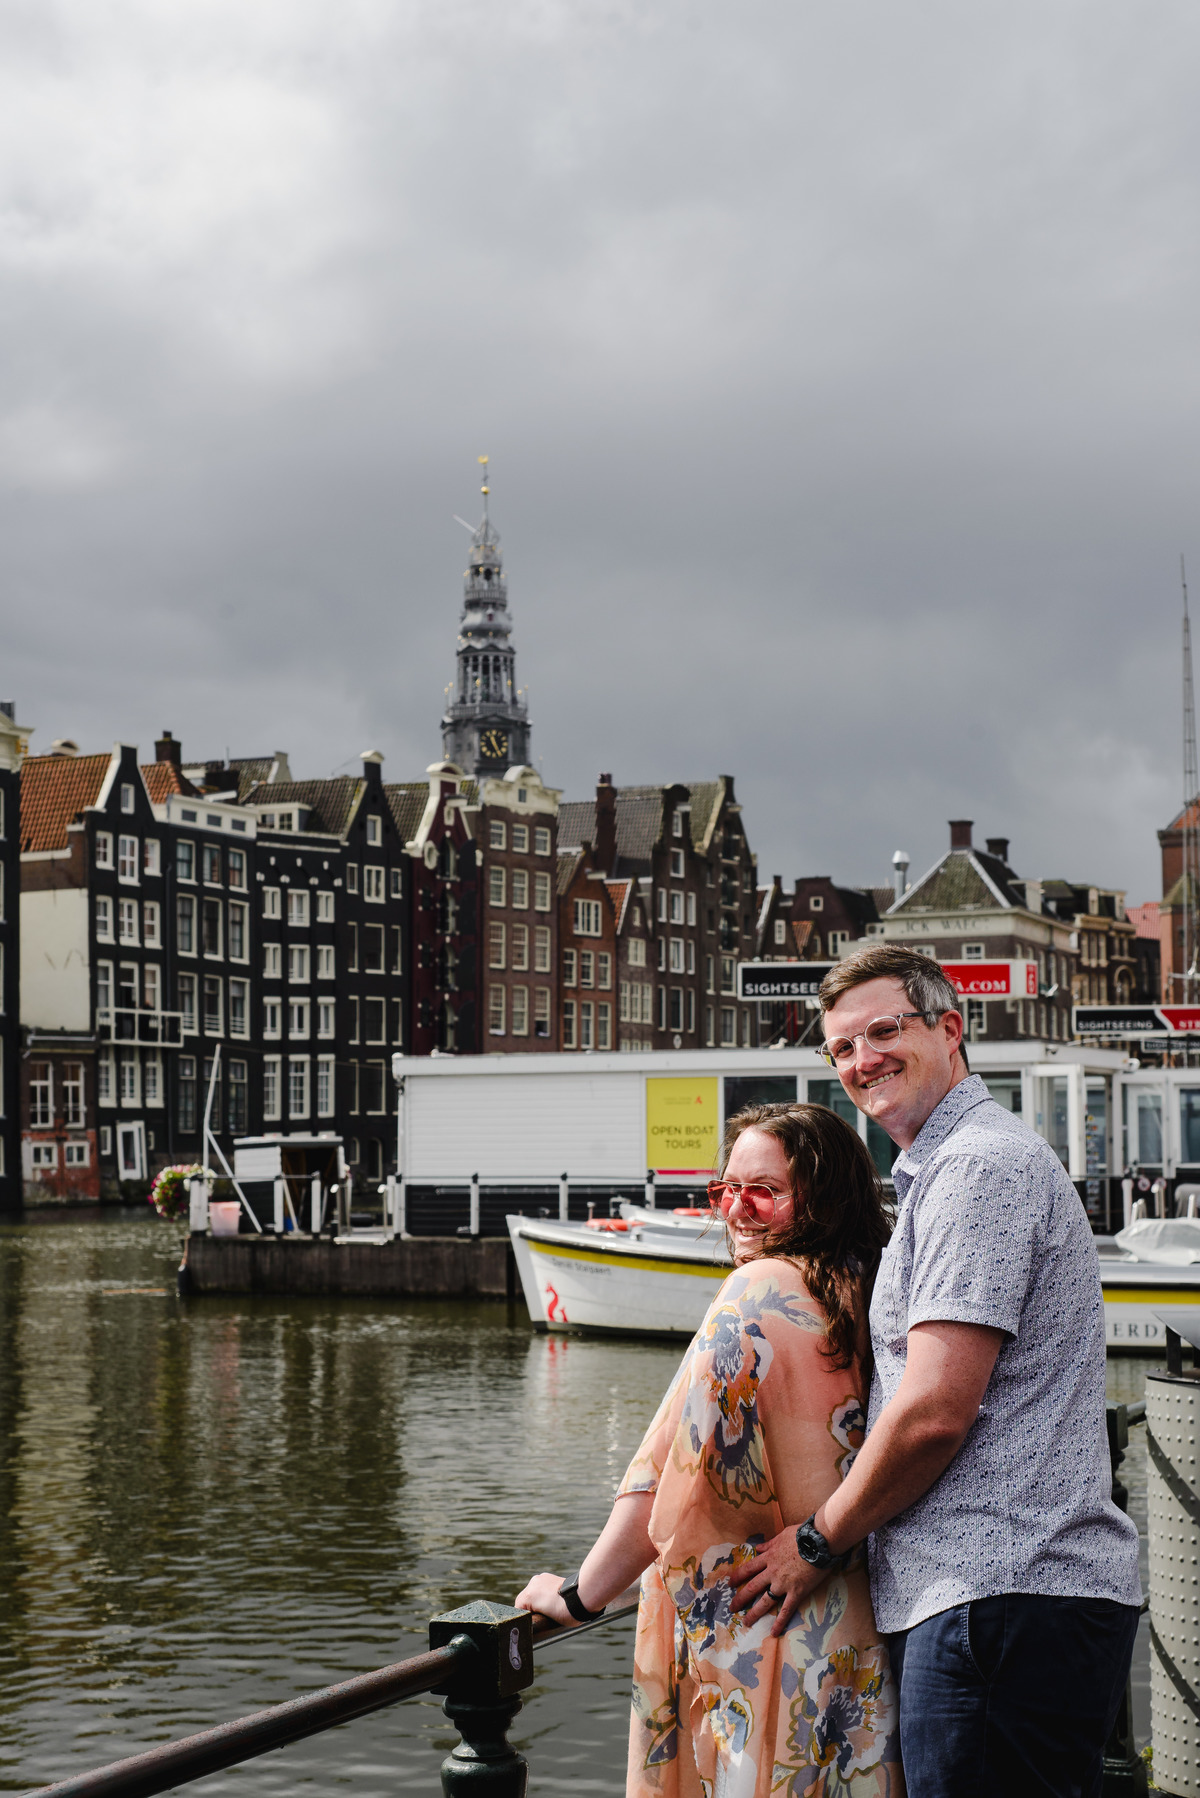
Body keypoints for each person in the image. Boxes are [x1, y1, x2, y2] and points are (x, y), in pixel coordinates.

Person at [729, 944, 1141, 1798]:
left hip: (995, 1595)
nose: (860, 1059)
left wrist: (814, 1542)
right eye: (839, 1047)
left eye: (884, 1030)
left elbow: (932, 1411)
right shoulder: (952, 1170)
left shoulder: (974, 1172)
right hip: (1003, 1601)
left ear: (950, 1029)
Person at [515, 1103, 905, 1798]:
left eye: (764, 1190)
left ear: (823, 1197)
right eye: (726, 1190)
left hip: (760, 1639)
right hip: (855, 1632)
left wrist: (578, 1596)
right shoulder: (868, 1289)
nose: (737, 1210)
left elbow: (664, 1479)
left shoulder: (754, 1296)